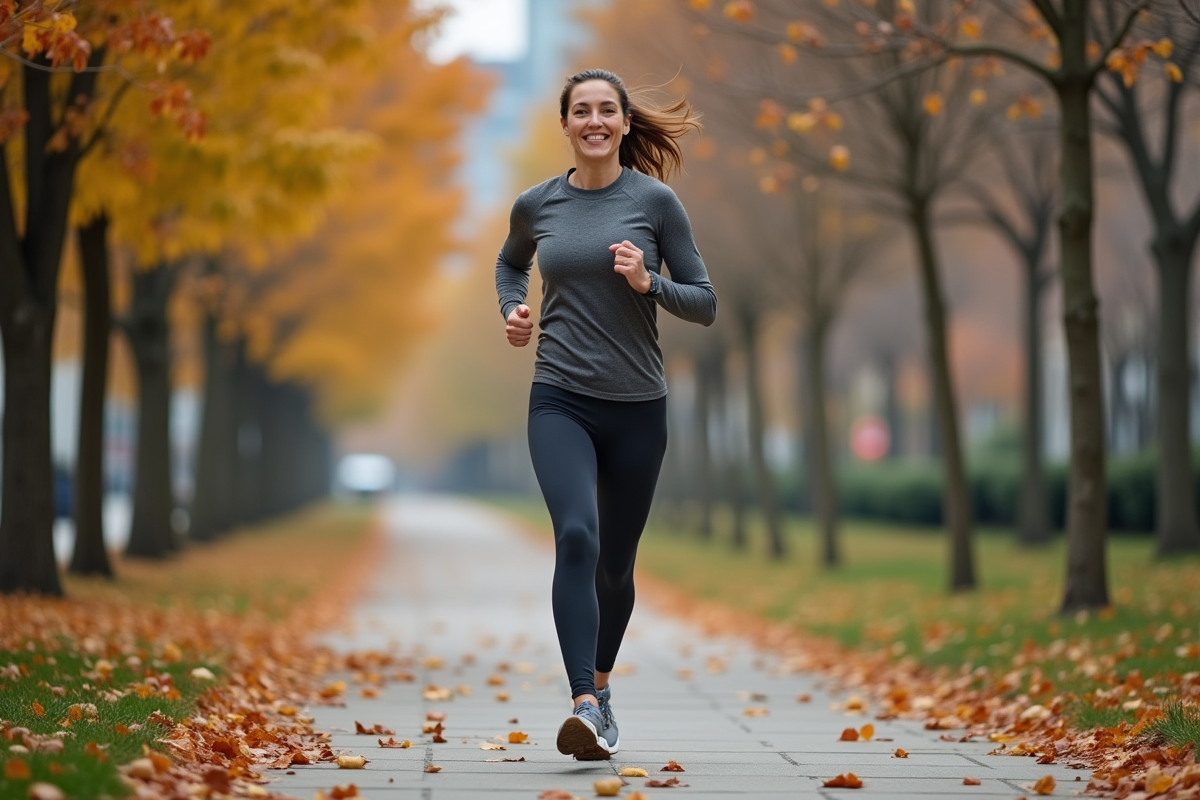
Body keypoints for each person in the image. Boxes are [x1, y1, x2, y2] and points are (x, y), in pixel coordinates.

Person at [495, 68, 717, 761]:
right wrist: (513, 309)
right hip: (559, 397)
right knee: (577, 536)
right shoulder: (537, 205)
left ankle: (601, 686)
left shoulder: (656, 203)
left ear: (623, 123)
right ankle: (583, 705)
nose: (594, 121)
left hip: (637, 407)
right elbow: (509, 265)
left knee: (616, 567)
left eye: (606, 111)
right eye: (581, 111)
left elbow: (705, 302)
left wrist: (650, 283)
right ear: (565, 124)